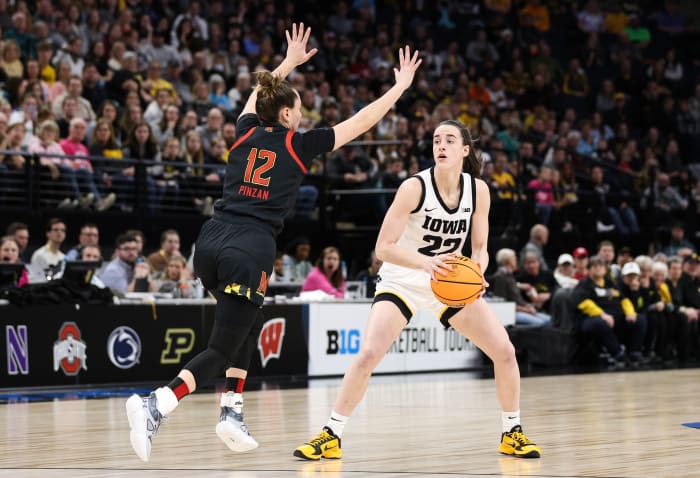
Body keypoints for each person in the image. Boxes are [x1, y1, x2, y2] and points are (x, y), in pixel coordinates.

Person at [125, 23, 422, 462]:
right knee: (221, 348)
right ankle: (156, 404)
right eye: (298, 108)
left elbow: (254, 98)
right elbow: (360, 122)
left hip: (209, 244)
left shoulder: (244, 130)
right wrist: (398, 90)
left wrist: (286, 64)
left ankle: (231, 412)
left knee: (250, 318)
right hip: (249, 248)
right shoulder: (298, 145)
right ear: (285, 115)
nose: (301, 114)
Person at [294, 119, 541, 460]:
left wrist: (478, 271)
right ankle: (331, 433)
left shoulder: (478, 190)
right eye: (437, 139)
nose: (441, 145)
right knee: (368, 354)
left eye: (450, 140)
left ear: (464, 150)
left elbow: (481, 246)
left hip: (450, 280)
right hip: (404, 278)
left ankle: (511, 432)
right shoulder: (414, 188)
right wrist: (423, 263)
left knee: (504, 350)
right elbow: (383, 247)